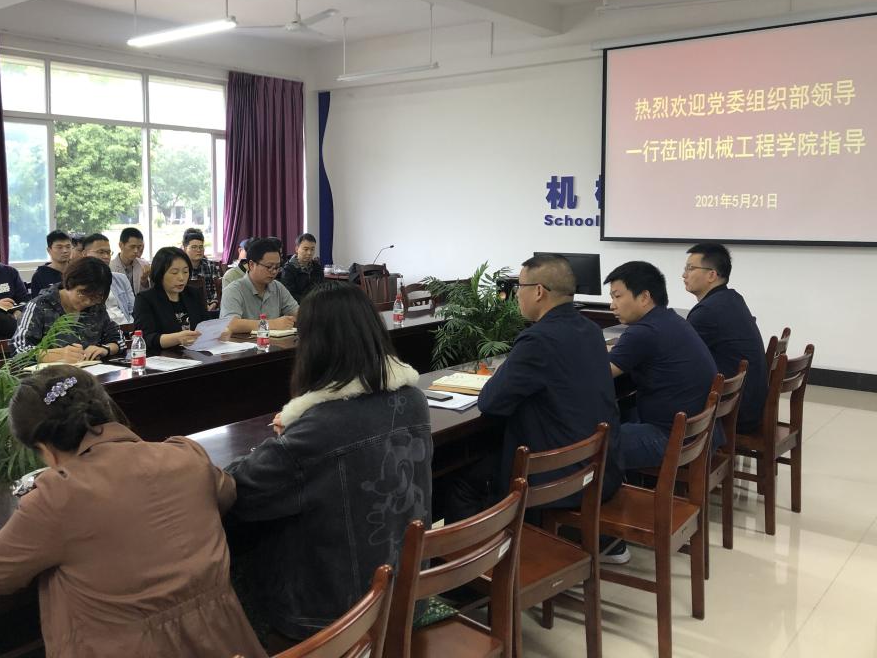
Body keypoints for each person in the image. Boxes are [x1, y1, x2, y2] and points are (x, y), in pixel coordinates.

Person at [0, 366, 265, 658]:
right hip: (225, 643)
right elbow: (227, 492)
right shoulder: (186, 455)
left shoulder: (58, 496)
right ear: (106, 409)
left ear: (44, 448)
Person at [225, 283, 432, 646]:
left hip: (338, 615)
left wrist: (284, 439)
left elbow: (241, 487)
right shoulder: (414, 399)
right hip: (409, 592)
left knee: (238, 544)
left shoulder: (322, 426)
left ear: (314, 346)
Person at [445, 254, 623, 523]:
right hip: (602, 467)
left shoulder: (538, 340)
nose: (516, 294)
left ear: (539, 291)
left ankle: (494, 549)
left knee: (457, 485)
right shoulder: (591, 329)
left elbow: (490, 402)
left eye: (520, 286)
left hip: (561, 479)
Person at [604, 261, 717, 471]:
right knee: (623, 414)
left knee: (591, 445)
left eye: (617, 296)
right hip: (700, 432)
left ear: (644, 297)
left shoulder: (643, 332)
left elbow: (597, 373)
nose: (612, 305)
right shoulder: (671, 319)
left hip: (670, 438)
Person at [683, 243, 769, 434]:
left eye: (690, 268)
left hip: (734, 411)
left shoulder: (707, 311)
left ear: (711, 275)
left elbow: (678, 357)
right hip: (748, 402)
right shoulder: (731, 298)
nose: (684, 274)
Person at [12, 257, 124, 363]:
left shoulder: (96, 307)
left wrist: (105, 349)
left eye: (95, 297)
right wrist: (56, 355)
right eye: (82, 293)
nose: (87, 302)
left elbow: (119, 339)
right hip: (49, 374)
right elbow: (18, 350)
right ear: (70, 283)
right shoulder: (40, 306)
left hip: (91, 372)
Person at [132, 248, 206, 354]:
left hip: (196, 354)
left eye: (185, 272)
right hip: (162, 356)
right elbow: (145, 338)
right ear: (160, 274)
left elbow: (206, 324)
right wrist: (177, 338)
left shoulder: (193, 294)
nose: (181, 278)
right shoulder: (145, 299)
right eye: (174, 272)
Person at [219, 237, 298, 333]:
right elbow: (230, 324)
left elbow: (298, 313)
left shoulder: (277, 287)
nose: (274, 272)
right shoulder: (233, 290)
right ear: (251, 265)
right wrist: (271, 324)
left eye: (277, 267)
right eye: (269, 267)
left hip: (274, 342)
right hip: (243, 342)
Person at [81, 233, 134, 325]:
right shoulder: (78, 283)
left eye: (108, 252)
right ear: (85, 254)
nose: (106, 256)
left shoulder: (121, 279)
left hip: (127, 327)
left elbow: (133, 309)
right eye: (101, 252)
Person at [182, 228, 221, 311]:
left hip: (212, 308)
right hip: (187, 309)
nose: (198, 250)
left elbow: (217, 289)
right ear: (185, 249)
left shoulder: (210, 265)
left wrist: (214, 304)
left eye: (201, 247)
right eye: (194, 247)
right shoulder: (181, 268)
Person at [279, 232, 324, 303]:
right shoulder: (288, 269)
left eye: (312, 249)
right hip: (297, 305)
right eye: (306, 249)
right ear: (297, 249)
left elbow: (322, 288)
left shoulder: (317, 267)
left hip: (316, 303)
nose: (309, 253)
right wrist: (309, 302)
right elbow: (289, 295)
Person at [29, 230, 73, 298]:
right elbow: (37, 302)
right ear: (49, 250)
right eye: (59, 247)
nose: (65, 251)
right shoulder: (40, 276)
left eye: (68, 247)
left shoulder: (77, 270)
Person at [109, 227, 150, 295]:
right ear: (121, 245)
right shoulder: (110, 267)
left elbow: (148, 292)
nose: (136, 251)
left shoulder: (144, 265)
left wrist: (144, 282)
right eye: (132, 247)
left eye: (139, 247)